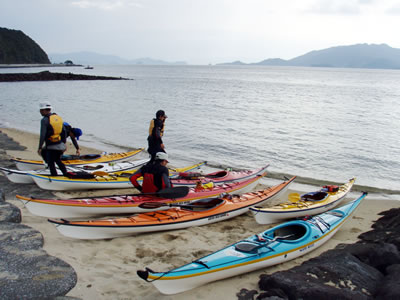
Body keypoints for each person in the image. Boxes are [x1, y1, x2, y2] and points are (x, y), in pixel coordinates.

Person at [37, 102, 68, 176]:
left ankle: (54, 176)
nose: (40, 112)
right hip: (59, 144)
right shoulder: (57, 117)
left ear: (45, 110)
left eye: (41, 110)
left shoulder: (44, 120)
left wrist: (40, 147)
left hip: (51, 145)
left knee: (51, 162)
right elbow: (64, 131)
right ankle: (66, 174)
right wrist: (63, 144)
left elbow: (43, 135)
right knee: (57, 160)